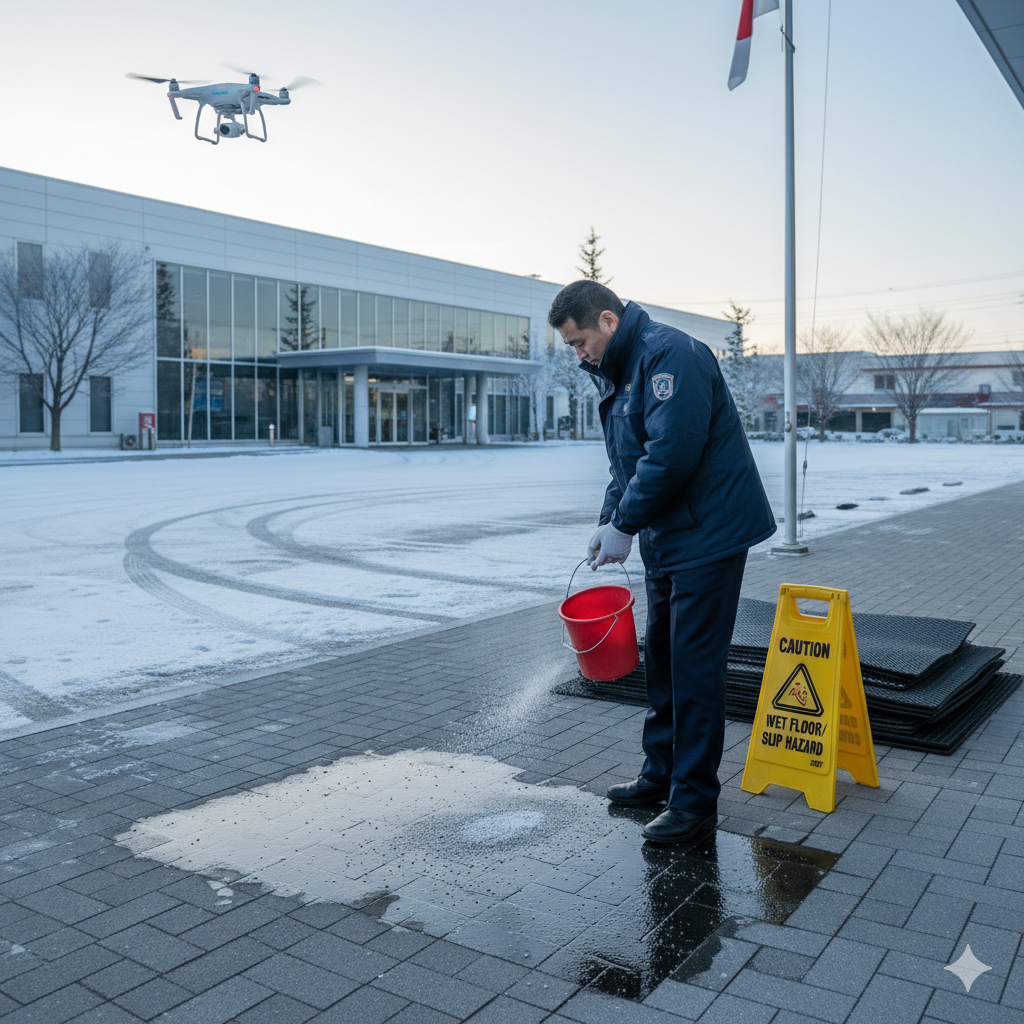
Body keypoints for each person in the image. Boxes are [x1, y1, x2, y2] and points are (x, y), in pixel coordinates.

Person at [548, 280, 776, 844]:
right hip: (670, 535)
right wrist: (610, 523)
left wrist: (625, 524)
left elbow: (673, 452)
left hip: (711, 531)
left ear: (606, 320)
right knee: (665, 661)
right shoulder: (625, 370)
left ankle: (695, 801)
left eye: (579, 343)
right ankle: (660, 774)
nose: (579, 355)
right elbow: (627, 466)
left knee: (695, 668)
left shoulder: (672, 354)